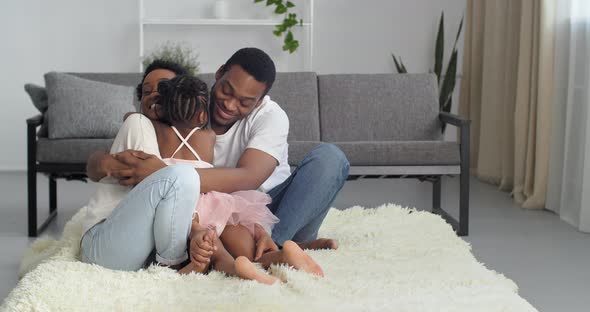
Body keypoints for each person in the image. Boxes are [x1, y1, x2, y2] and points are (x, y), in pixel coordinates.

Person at [87, 48, 350, 256]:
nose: (229, 104)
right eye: (226, 90)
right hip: (212, 215)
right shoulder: (192, 105)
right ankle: (276, 253)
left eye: (245, 102)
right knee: (196, 225)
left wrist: (166, 175)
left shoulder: (271, 117)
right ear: (219, 73)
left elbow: (249, 177)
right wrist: (103, 161)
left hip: (275, 210)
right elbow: (142, 128)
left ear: (259, 101)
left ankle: (274, 247)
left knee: (330, 158)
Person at [124, 74, 324, 283]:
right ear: (202, 116)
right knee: (247, 249)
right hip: (216, 200)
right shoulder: (208, 135)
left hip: (187, 203)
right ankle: (282, 256)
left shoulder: (157, 129)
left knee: (215, 251)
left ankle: (234, 267)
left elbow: (132, 118)